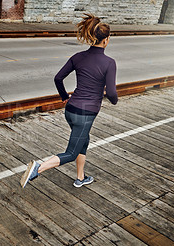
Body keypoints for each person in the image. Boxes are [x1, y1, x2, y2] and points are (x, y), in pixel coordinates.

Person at [20, 13, 118, 188]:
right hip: (86, 113)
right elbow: (111, 92)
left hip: (71, 110)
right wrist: (114, 100)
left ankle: (81, 177)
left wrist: (65, 97)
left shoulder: (78, 57)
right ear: (106, 40)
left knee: (83, 141)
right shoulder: (109, 62)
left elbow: (58, 78)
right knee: (71, 152)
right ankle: (38, 168)